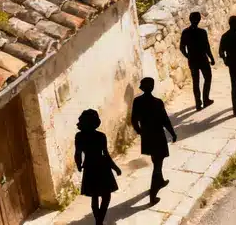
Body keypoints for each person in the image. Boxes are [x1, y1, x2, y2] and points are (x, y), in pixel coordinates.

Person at [130, 77, 176, 205]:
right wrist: (173, 133)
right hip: (158, 136)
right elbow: (165, 120)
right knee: (157, 164)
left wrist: (140, 132)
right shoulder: (157, 102)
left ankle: (160, 181)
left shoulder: (137, 101)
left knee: (156, 159)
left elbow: (133, 120)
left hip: (147, 136)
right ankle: (153, 195)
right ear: (152, 87)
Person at [75, 109, 120, 225]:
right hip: (102, 167)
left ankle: (98, 221)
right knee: (106, 196)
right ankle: (100, 220)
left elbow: (78, 153)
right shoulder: (101, 136)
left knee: (94, 196)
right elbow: (106, 154)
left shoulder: (79, 136)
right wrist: (115, 167)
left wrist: (79, 165)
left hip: (89, 167)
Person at [178, 12, 215, 111]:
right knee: (208, 78)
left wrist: (188, 56)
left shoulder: (185, 32)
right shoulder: (202, 32)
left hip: (192, 60)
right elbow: (207, 47)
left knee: (196, 82)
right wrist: (211, 58)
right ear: (199, 20)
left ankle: (198, 103)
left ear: (190, 19)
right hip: (203, 59)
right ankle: (205, 99)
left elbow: (181, 47)